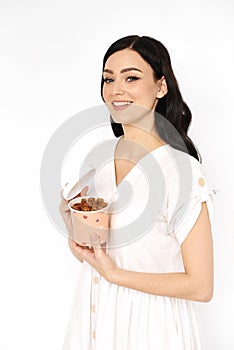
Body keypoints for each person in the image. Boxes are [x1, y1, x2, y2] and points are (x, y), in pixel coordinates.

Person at [60, 35, 215, 350]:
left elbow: (201, 286)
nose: (116, 89)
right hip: (93, 319)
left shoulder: (180, 172)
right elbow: (103, 247)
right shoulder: (99, 159)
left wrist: (115, 274)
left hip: (152, 331)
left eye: (131, 77)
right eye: (108, 79)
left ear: (161, 87)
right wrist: (76, 234)